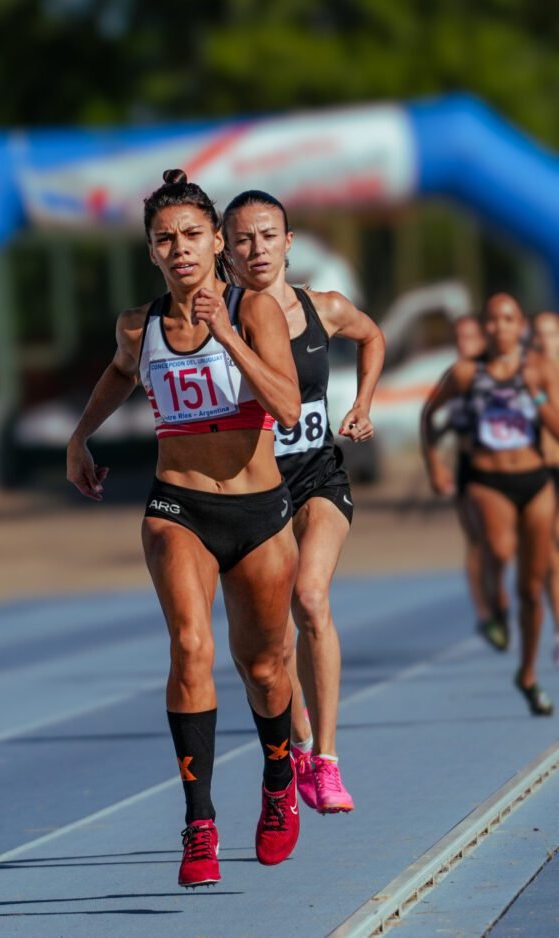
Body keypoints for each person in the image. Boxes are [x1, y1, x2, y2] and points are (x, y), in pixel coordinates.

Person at [67, 170, 302, 888]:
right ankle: (199, 822)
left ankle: (277, 773)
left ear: (215, 243)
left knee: (265, 669)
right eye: (164, 239)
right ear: (151, 251)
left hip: (259, 514)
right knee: (191, 646)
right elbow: (119, 369)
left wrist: (227, 335)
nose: (180, 249)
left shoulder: (254, 307)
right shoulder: (139, 326)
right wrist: (80, 438)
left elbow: (288, 407)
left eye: (193, 235)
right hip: (179, 506)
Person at [222, 190, 385, 813]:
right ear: (226, 252)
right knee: (267, 648)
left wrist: (362, 405)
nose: (257, 248)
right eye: (243, 239)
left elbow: (373, 337)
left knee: (310, 598)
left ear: (289, 243)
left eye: (268, 235)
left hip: (320, 477)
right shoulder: (219, 320)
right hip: (258, 491)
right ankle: (300, 741)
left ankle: (328, 761)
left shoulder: (325, 308)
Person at [421, 293, 559, 716]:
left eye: (508, 319)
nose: (501, 327)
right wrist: (434, 467)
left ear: (521, 327)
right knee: (498, 550)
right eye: (493, 320)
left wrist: (536, 397)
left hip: (534, 479)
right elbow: (430, 415)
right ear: (485, 328)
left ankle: (528, 673)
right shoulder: (465, 373)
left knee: (532, 589)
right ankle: (495, 606)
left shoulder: (537, 369)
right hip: (487, 478)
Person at [437, 315, 495, 641]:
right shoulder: (455, 375)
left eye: (470, 336)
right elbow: (437, 420)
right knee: (476, 541)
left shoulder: (500, 370)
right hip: (469, 466)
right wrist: (437, 464)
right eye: (459, 336)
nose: (464, 342)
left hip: (508, 468)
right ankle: (485, 613)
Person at [532, 309, 559, 666]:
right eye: (537, 335)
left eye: (550, 334)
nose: (543, 342)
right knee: (550, 549)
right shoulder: (526, 374)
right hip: (541, 467)